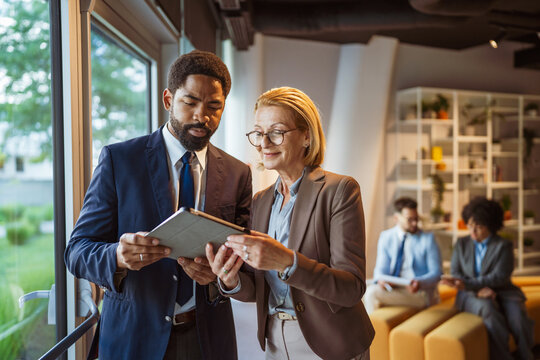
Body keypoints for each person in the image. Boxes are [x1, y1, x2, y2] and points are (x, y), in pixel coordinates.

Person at [64, 50, 252, 360]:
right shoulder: (119, 160)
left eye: (214, 106)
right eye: (189, 102)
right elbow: (77, 252)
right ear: (168, 99)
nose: (201, 116)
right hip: (133, 337)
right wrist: (117, 256)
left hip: (207, 340)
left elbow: (244, 258)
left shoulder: (238, 173)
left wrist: (220, 274)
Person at [205, 86, 374, 360]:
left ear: (307, 136)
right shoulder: (260, 202)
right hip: (275, 340)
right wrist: (231, 279)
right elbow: (259, 289)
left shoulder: (340, 190)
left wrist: (287, 261)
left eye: (277, 132)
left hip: (330, 343)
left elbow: (351, 288)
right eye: (259, 133)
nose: (264, 143)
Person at [441, 197, 534, 360]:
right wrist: (476, 290)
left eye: (478, 227)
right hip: (469, 295)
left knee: (518, 318)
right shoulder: (461, 244)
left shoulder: (503, 245)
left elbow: (500, 277)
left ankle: (527, 356)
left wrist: (472, 284)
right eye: (470, 225)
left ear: (491, 226)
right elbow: (456, 272)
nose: (472, 231)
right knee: (488, 310)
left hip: (504, 292)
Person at [363, 197, 442, 313]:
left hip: (420, 292)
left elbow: (437, 273)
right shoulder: (386, 237)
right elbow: (380, 271)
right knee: (360, 288)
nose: (415, 223)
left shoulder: (428, 239)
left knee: (371, 293)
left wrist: (419, 282)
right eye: (410, 220)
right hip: (395, 287)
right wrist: (381, 281)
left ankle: (367, 331)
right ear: (396, 218)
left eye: (416, 219)